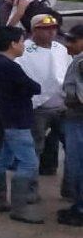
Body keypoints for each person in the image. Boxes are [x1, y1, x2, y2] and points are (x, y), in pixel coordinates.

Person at [0, 26, 44, 224]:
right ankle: (20, 208)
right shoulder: (11, 66)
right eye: (20, 41)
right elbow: (33, 87)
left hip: (3, 118)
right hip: (17, 120)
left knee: (2, 159)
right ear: (12, 44)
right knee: (28, 162)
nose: (23, 45)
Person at [18, 15, 71, 184]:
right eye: (45, 29)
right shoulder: (24, 50)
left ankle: (70, 187)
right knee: (34, 150)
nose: (51, 32)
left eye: (53, 28)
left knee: (73, 148)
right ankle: (30, 189)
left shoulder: (60, 48)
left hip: (63, 107)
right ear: (34, 30)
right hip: (38, 109)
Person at [58, 24, 83, 226]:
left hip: (78, 119)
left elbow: (77, 95)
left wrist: (69, 100)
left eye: (73, 40)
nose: (68, 44)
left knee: (78, 166)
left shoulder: (81, 62)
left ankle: (81, 209)